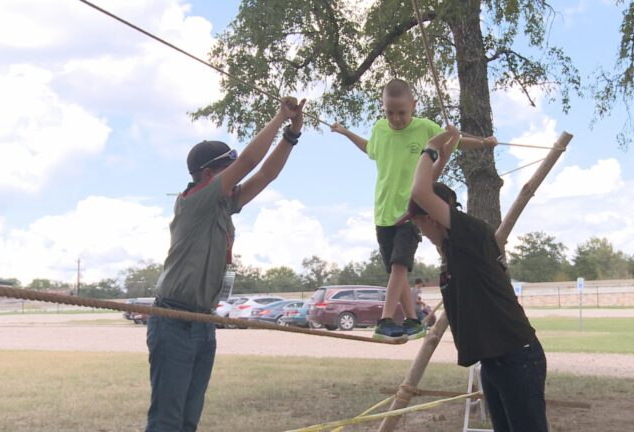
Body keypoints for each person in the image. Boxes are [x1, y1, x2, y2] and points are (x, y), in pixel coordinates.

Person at [145, 96, 306, 432]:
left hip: (202, 322)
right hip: (173, 321)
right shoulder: (194, 201)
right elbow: (249, 161)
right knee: (167, 420)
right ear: (208, 175)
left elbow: (264, 175)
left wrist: (293, 133)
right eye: (226, 170)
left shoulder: (222, 205)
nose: (233, 176)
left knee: (188, 419)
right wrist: (279, 117)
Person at [402, 127, 547, 431]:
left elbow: (420, 192)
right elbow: (423, 190)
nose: (420, 233)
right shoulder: (453, 250)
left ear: (431, 217)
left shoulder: (469, 233)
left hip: (516, 357)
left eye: (418, 225)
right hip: (496, 361)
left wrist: (430, 147)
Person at [331, 78, 497, 340]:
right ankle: (412, 321)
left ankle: (385, 320)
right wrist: (345, 132)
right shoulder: (379, 129)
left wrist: (483, 143)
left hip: (409, 212)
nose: (396, 118)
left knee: (398, 267)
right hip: (383, 212)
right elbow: (370, 149)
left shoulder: (424, 128)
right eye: (390, 112)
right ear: (383, 108)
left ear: (414, 106)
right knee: (398, 272)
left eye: (402, 112)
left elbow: (453, 142)